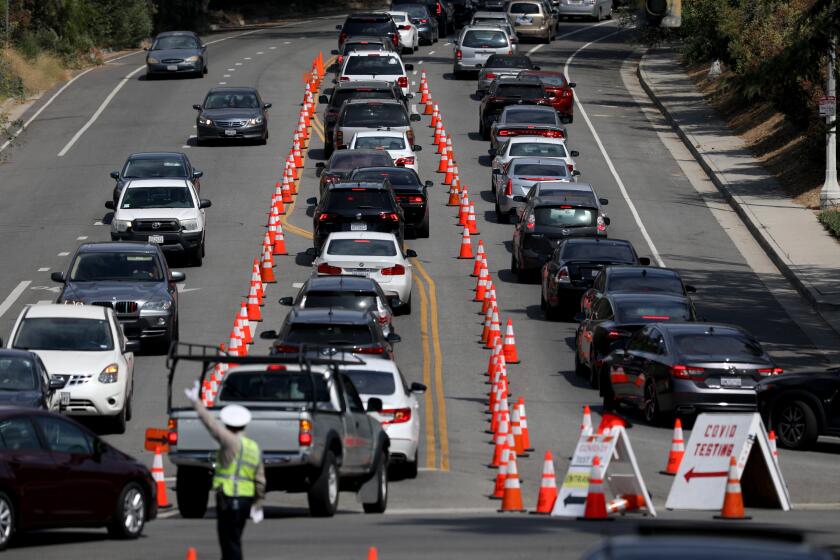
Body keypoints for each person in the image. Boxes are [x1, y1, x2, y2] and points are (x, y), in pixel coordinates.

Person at [184, 381, 266, 560]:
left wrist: (196, 403)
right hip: (245, 500)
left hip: (229, 498)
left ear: (229, 425)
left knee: (229, 542)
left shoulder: (230, 442)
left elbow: (212, 426)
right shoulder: (253, 447)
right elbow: (260, 480)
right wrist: (258, 504)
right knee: (234, 539)